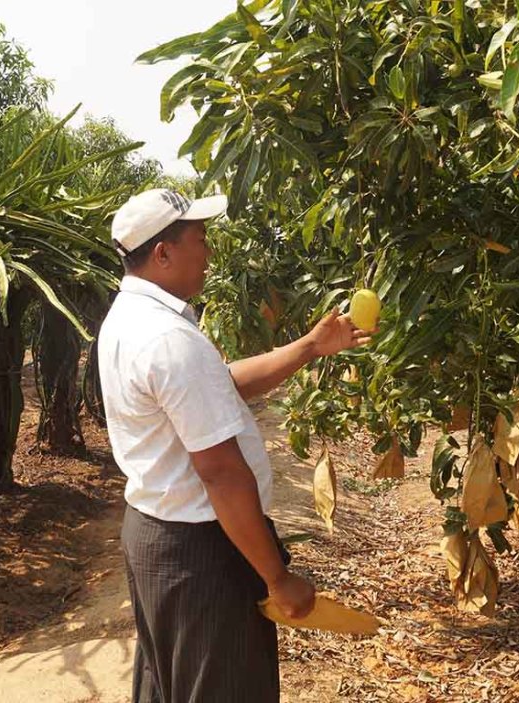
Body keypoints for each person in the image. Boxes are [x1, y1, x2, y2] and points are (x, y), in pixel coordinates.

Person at [99, 188, 373, 703]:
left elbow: (219, 384)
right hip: (201, 551)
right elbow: (221, 473)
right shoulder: (168, 339)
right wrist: (277, 577)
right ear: (163, 253)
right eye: (200, 239)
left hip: (155, 535)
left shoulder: (129, 319)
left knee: (170, 685)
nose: (209, 252)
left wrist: (310, 347)